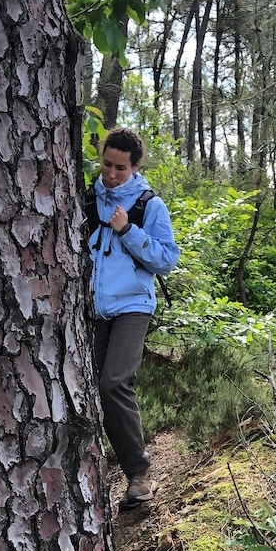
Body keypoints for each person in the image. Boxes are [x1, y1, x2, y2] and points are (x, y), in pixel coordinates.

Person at [88, 128, 179, 510]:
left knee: (113, 384)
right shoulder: (86, 198)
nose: (110, 173)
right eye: (107, 164)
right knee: (85, 389)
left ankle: (138, 474)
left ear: (135, 166)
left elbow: (167, 260)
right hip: (90, 310)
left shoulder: (149, 205)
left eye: (120, 168)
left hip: (133, 307)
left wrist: (127, 231)